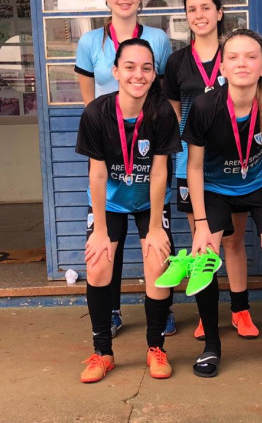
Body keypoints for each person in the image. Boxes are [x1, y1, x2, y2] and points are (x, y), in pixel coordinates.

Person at [183, 28, 262, 377]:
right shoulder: (206, 106)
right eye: (233, 56)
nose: (242, 63)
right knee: (203, 258)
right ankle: (211, 348)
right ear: (222, 67)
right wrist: (202, 224)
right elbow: (193, 166)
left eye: (251, 57)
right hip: (217, 188)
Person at [74, 0, 174, 338]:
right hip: (109, 142)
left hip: (146, 142)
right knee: (104, 245)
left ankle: (160, 312)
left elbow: (159, 88)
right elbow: (88, 99)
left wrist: (152, 126)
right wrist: (106, 130)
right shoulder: (90, 42)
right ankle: (110, 311)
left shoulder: (159, 39)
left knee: (157, 246)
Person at [75, 38, 182, 382]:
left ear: (154, 74)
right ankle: (102, 352)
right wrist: (102, 232)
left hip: (148, 201)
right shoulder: (96, 113)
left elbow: (160, 171)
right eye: (131, 67)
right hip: (110, 203)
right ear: (116, 71)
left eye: (146, 68)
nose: (139, 74)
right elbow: (98, 173)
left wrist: (154, 228)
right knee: (98, 263)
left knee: (157, 260)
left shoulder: (162, 111)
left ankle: (156, 347)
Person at [162, 0, 258, 340]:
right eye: (191, 9)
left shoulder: (235, 54)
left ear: (220, 13)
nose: (199, 15)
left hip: (235, 162)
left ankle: (241, 310)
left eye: (206, 8)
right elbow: (174, 113)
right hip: (194, 164)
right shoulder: (176, 63)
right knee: (203, 240)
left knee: (234, 241)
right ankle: (207, 316)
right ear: (186, 17)